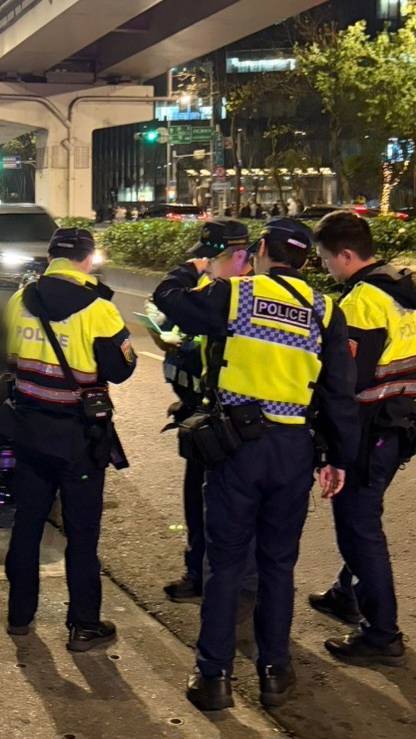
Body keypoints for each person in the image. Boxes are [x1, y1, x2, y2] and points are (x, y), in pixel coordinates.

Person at [152, 218, 359, 710]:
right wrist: (338, 458)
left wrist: (195, 265)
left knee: (225, 564)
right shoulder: (324, 310)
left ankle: (214, 678)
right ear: (305, 260)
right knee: (278, 566)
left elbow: (168, 299)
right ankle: (274, 672)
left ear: (263, 248)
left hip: (237, 446)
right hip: (293, 449)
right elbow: (339, 393)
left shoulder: (236, 294)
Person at [0, 228, 136, 652]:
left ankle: (20, 615)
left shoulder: (20, 300)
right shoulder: (99, 308)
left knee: (27, 524)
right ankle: (84, 625)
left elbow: (8, 358)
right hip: (78, 438)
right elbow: (121, 370)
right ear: (88, 259)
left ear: (51, 255)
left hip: (29, 430)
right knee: (82, 533)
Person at [310, 211, 416, 666]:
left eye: (326, 260)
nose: (326, 268)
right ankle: (347, 594)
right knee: (363, 518)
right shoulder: (396, 289)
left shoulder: (362, 302)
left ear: (345, 255)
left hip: (368, 427)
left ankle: (382, 634)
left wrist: (330, 443)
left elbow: (348, 380)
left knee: (358, 528)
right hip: (398, 421)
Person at [155, 219, 252, 602]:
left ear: (240, 256)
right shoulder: (215, 290)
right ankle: (199, 573)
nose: (207, 266)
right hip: (204, 414)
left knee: (228, 511)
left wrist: (186, 271)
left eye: (213, 259)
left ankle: (227, 588)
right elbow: (172, 313)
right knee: (197, 500)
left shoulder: (242, 295)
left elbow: (168, 297)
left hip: (236, 420)